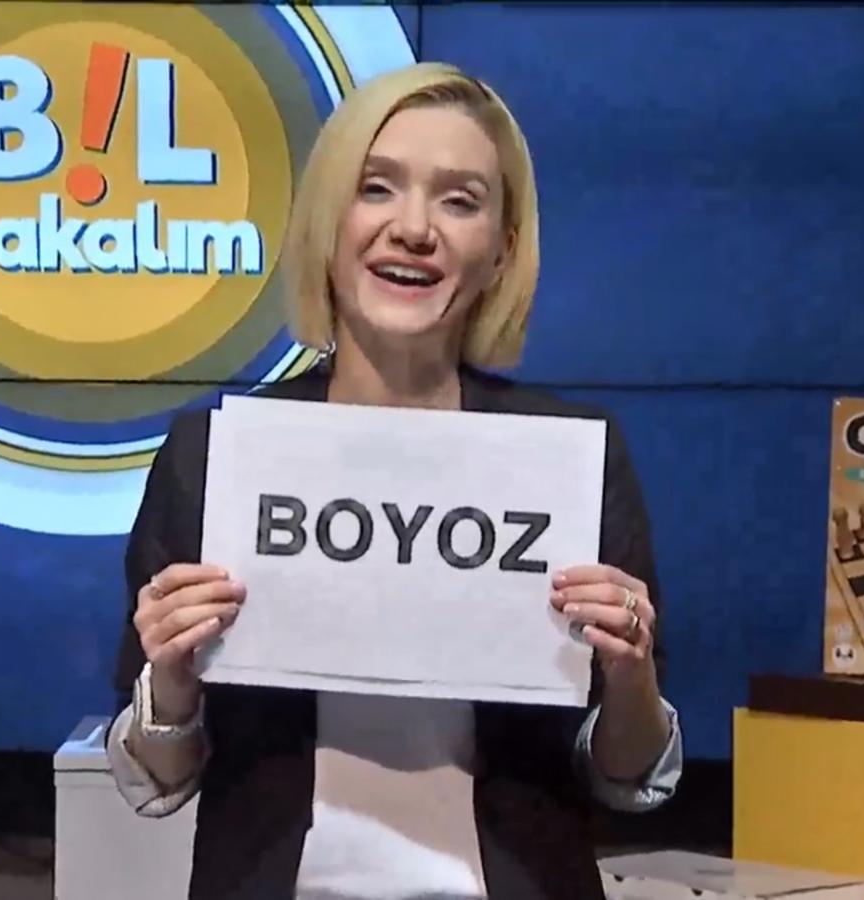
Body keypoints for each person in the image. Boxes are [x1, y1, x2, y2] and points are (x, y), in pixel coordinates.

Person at [108, 61, 683, 900]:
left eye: (460, 201)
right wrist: (171, 681)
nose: (414, 229)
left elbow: (627, 777)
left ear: (502, 249)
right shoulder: (215, 454)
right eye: (376, 188)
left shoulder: (569, 457)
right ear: (327, 222)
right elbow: (157, 778)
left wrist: (630, 676)